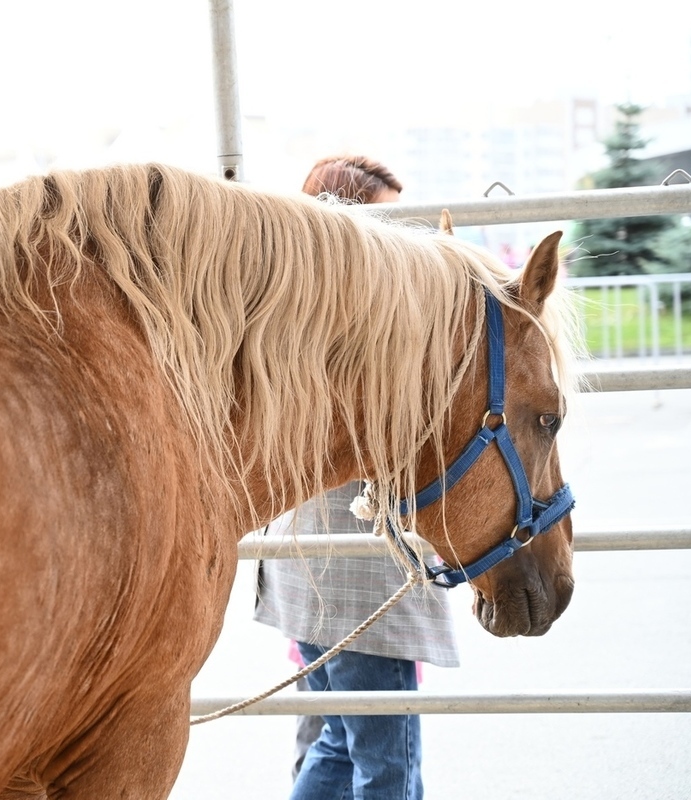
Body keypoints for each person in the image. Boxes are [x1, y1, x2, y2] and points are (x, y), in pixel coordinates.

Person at [254, 154, 459, 800]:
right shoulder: (360, 322)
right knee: (385, 765)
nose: (400, 245)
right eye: (387, 226)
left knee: (338, 745)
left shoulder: (292, 309)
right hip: (356, 578)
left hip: (307, 568)